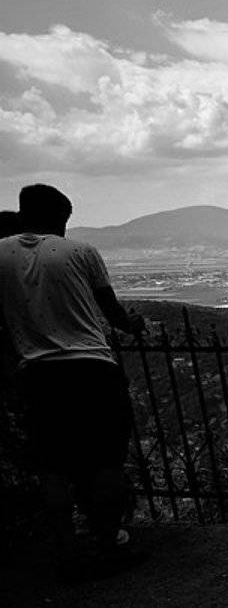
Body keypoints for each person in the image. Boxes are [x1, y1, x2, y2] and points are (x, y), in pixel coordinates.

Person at [0, 184, 148, 580]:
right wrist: (133, 326)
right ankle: (107, 542)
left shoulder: (1, 253)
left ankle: (67, 549)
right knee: (107, 459)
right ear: (59, 216)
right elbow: (110, 309)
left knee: (51, 465)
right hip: (91, 367)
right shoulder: (81, 252)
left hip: (36, 370)